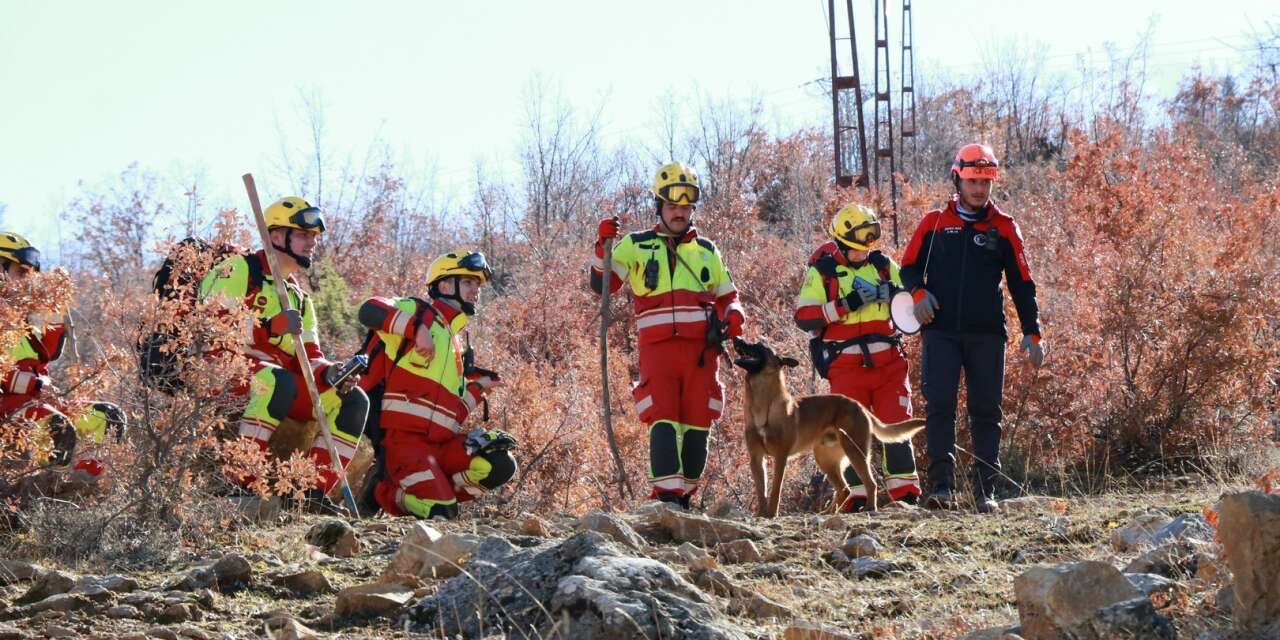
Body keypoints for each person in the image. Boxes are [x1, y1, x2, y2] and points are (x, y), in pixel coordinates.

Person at [898, 143, 1045, 513]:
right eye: (973, 180)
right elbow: (908, 267)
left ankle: (985, 493)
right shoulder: (933, 222)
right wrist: (917, 293)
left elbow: (1022, 283)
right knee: (940, 405)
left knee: (986, 409)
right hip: (940, 331)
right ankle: (942, 488)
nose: (980, 189)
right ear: (958, 178)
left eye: (986, 181)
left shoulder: (1005, 227)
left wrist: (1033, 331)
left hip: (987, 334)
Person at [590, 161, 746, 507]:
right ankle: (666, 500)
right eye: (673, 205)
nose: (680, 213)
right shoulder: (635, 244)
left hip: (701, 354)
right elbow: (602, 285)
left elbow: (727, 295)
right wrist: (603, 246)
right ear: (659, 205)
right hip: (657, 352)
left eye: (686, 206)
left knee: (696, 428)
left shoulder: (707, 250)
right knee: (662, 420)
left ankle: (686, 495)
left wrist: (734, 315)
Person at [198, 197, 367, 503]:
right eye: (303, 235)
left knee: (353, 399)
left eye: (314, 237)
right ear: (276, 236)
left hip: (277, 382)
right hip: (221, 373)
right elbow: (207, 329)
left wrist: (332, 373)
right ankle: (241, 482)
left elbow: (310, 356)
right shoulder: (237, 269)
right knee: (278, 381)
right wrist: (269, 328)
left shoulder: (300, 299)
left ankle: (311, 492)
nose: (312, 243)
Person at [356, 251, 515, 520]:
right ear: (443, 286)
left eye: (477, 285)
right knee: (441, 513)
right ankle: (383, 491)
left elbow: (452, 415)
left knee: (500, 463)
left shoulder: (459, 347)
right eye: (467, 282)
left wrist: (479, 389)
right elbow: (369, 309)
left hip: (442, 447)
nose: (475, 290)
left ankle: (435, 488)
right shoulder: (419, 313)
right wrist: (416, 329)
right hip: (403, 446)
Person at [793, 203, 921, 510]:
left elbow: (912, 300)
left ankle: (906, 497)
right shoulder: (822, 273)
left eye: (868, 244)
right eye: (856, 247)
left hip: (889, 364)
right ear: (840, 243)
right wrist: (843, 305)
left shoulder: (883, 265)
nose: (864, 251)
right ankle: (856, 499)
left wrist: (895, 293)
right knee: (848, 433)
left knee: (897, 424)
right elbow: (804, 316)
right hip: (846, 368)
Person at [1, 231, 126, 482]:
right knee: (56, 425)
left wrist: (53, 304)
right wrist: (37, 384)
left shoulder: (21, 322)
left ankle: (83, 495)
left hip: (34, 402)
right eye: (21, 273)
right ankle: (45, 496)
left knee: (107, 418)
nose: (29, 281)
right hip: (9, 408)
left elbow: (50, 351)